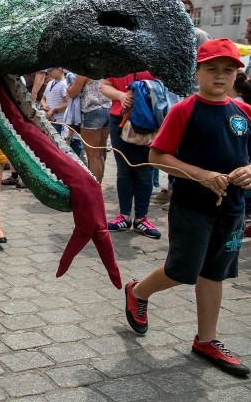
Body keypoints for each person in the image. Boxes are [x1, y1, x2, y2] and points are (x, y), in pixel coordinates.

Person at [124, 39, 250, 377]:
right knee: (183, 270)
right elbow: (157, 156)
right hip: (192, 206)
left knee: (216, 272)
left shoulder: (244, 112)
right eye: (212, 69)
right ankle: (137, 291)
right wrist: (202, 175)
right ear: (197, 72)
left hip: (232, 208)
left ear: (237, 74)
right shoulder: (184, 110)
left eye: (228, 70)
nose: (220, 76)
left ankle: (206, 340)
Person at [101, 72, 161, 239]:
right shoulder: (118, 61)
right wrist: (121, 96)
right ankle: (124, 216)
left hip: (147, 121)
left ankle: (141, 218)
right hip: (118, 120)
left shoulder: (154, 62)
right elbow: (105, 85)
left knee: (144, 170)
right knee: (124, 170)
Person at [67, 75, 110, 183]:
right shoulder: (105, 67)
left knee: (93, 155)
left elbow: (72, 92)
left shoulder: (85, 71)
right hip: (107, 110)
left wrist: (69, 88)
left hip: (91, 111)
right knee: (100, 154)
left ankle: (94, 189)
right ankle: (98, 185)